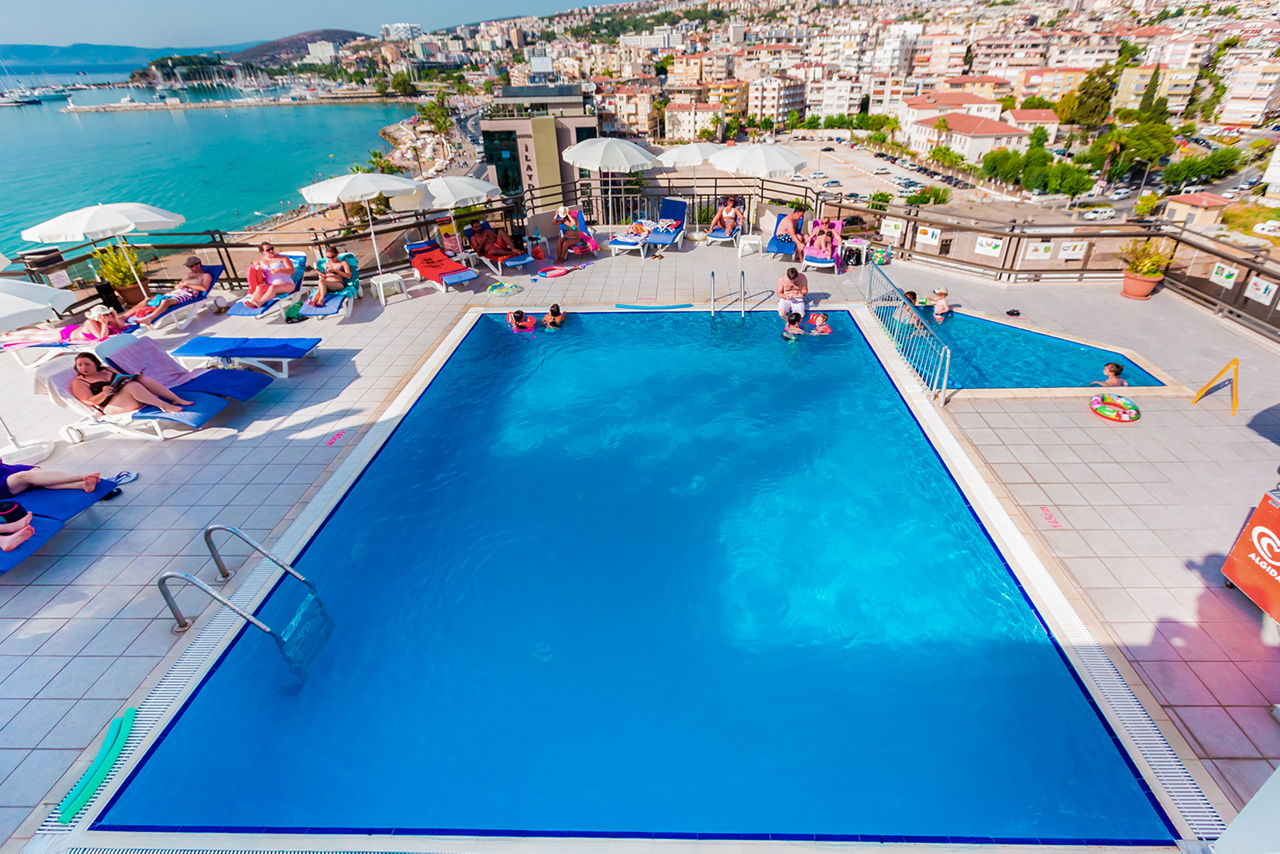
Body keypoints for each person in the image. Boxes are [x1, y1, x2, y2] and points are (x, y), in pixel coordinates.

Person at [70, 352, 192, 415]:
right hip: (111, 406)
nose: (83, 368)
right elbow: (89, 401)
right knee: (131, 386)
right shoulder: (79, 382)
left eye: (87, 364)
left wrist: (134, 376)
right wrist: (103, 393)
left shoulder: (108, 369)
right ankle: (164, 406)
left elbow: (122, 379)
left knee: (142, 379)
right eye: (79, 365)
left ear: (96, 364)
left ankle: (175, 399)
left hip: (127, 397)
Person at [122, 256, 213, 325]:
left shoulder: (205, 276)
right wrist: (178, 286)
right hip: (177, 292)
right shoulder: (188, 275)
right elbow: (177, 287)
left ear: (198, 265)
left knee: (165, 302)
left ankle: (150, 319)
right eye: (188, 266)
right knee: (148, 300)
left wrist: (187, 284)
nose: (189, 268)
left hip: (189, 294)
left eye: (191, 266)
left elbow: (204, 288)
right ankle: (124, 317)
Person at [241, 243, 296, 308]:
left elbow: (292, 270)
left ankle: (260, 302)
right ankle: (253, 302)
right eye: (268, 250)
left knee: (273, 288)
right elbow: (252, 267)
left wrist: (279, 270)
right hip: (269, 285)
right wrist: (256, 267)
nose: (271, 251)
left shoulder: (282, 258)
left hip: (287, 284)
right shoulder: (259, 260)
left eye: (272, 248)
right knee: (260, 287)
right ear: (262, 252)